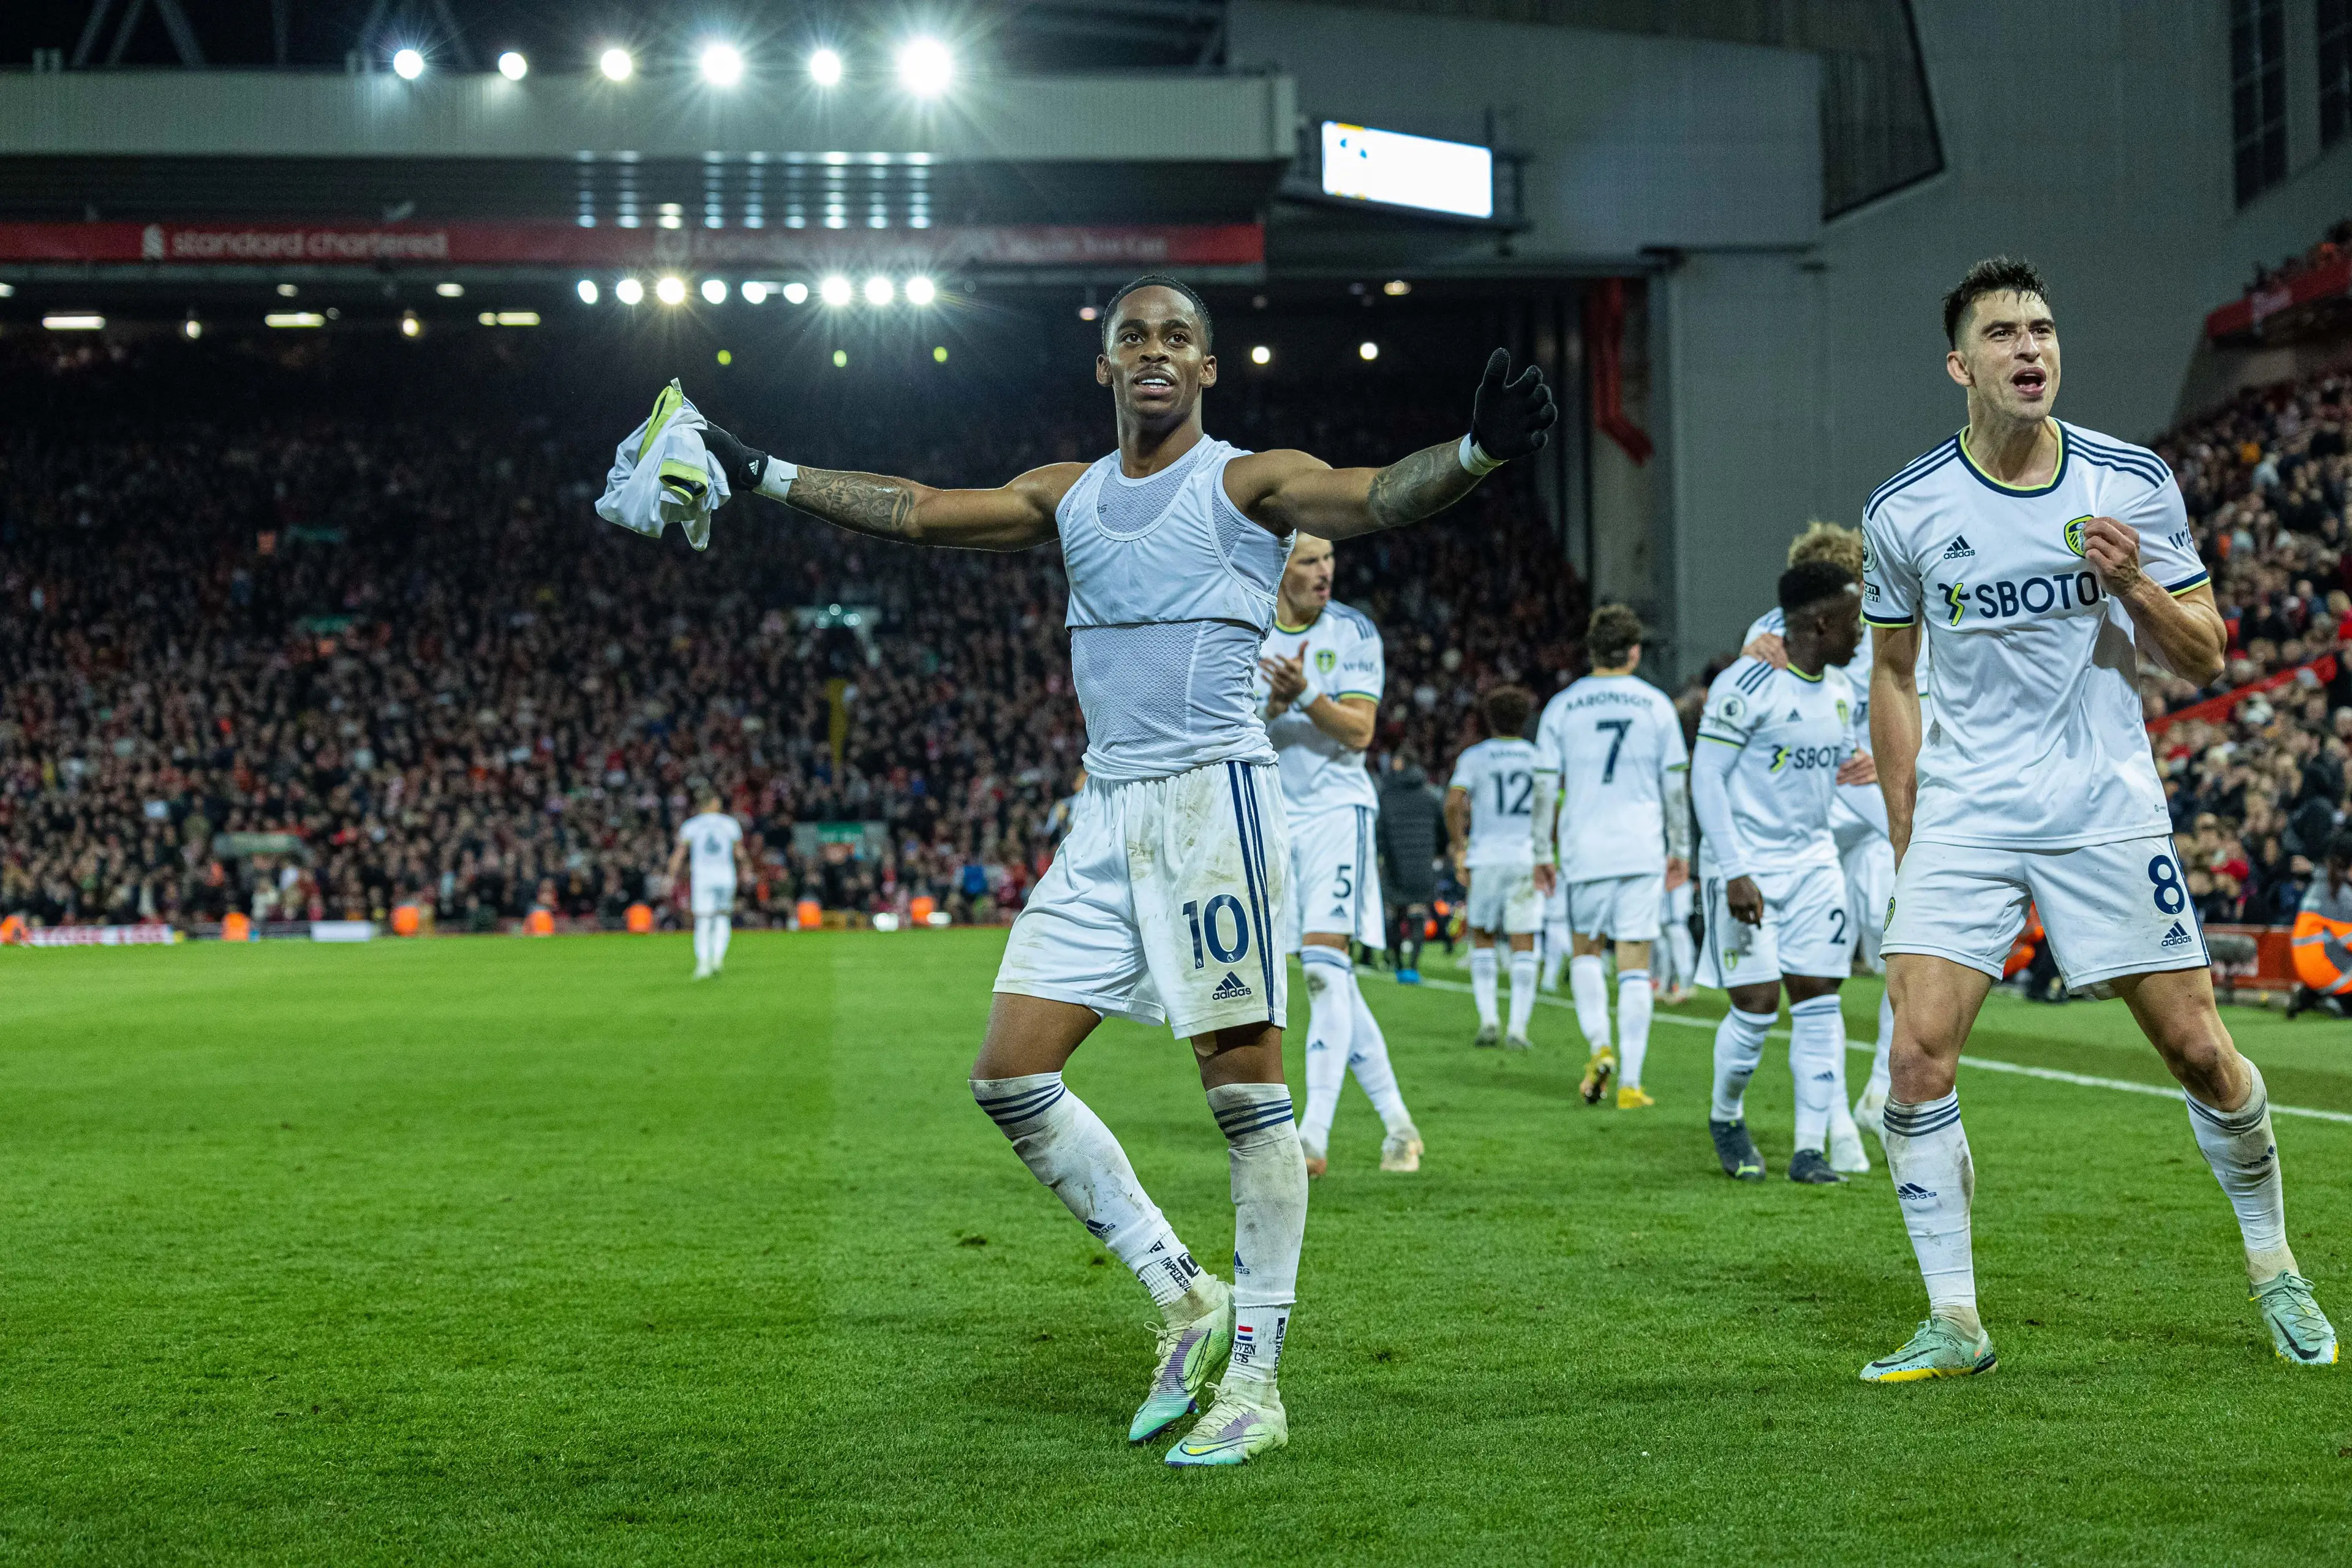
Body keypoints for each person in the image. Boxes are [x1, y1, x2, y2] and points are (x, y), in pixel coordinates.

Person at [669, 273, 1556, 1462]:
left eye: (1177, 337)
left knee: (1248, 1100)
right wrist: (758, 467)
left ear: (1206, 367)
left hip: (1217, 807)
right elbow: (921, 509)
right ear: (1105, 367)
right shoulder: (1068, 493)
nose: (1154, 350)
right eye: (1132, 335)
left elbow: (1375, 495)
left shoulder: (1247, 482)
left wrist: (1480, 450)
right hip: (1107, 816)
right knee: (1010, 1074)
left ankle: (1258, 1378)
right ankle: (1183, 1289)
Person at [1860, 255, 2334, 1380]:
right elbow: (1890, 671)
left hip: (2103, 804)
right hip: (1971, 814)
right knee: (1916, 1061)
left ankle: (2276, 1267)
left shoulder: (2129, 482)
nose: (2032, 349)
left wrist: (2135, 589)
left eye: (2044, 328)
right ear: (1959, 363)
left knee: (2203, 1055)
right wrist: (1904, 818)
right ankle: (1957, 1320)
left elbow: (2208, 651)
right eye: (2006, 334)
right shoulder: (1906, 509)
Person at [1692, 563, 1882, 1184]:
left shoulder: (1840, 692)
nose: (1861, 635)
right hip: (1745, 862)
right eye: (1853, 622)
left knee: (1820, 997)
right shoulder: (1746, 686)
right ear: (1821, 623)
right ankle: (1726, 1117)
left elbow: (1841, 773)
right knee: (1755, 1005)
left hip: (1813, 863)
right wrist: (1736, 871)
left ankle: (1809, 1148)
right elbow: (1706, 779)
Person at [1256, 534, 1424, 1177]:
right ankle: (1399, 1126)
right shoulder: (1246, 627)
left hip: (1336, 812)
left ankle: (1312, 1135)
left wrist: (1302, 695)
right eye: (1309, 561)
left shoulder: (1353, 631)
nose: (1325, 571)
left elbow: (1359, 728)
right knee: (1333, 980)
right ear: (1281, 569)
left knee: (1326, 968)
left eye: (1329, 559)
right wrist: (1268, 705)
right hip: (1273, 814)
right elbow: (1232, 726)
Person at [1738, 522, 1886, 1170]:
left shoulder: (1874, 621)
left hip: (1839, 812)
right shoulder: (1772, 635)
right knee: (1841, 979)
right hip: (1826, 820)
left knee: (1849, 970)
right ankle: (1848, 1118)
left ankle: (1868, 1101)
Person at [1531, 605, 1691, 1109]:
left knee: (1585, 952)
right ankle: (1631, 1085)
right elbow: (1675, 786)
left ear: (1592, 651)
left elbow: (1542, 787)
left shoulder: (1562, 706)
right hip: (1641, 848)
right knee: (1635, 965)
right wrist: (1680, 847)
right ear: (1635, 652)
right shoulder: (1656, 705)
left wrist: (1541, 849)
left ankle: (1600, 1046)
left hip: (1585, 848)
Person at [1446, 686, 1545, 1050]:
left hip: (1486, 856)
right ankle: (1518, 1029)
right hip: (1525, 855)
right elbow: (1552, 805)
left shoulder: (1476, 757)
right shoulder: (1538, 757)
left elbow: (1454, 802)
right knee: (1524, 942)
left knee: (1483, 937)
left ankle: (1489, 1021)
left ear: (1489, 719)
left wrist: (1460, 846)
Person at [1376, 748, 1443, 983]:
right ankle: (1413, 967)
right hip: (1422, 863)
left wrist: (1380, 855)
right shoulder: (1430, 794)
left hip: (1395, 863)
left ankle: (1397, 964)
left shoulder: (1387, 794)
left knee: (1394, 912)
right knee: (1417, 911)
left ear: (1400, 763)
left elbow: (1380, 830)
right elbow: (1441, 830)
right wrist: (1439, 853)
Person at [666, 791, 750, 979]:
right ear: (714, 803)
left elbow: (679, 854)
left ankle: (703, 965)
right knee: (722, 917)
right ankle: (717, 960)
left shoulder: (692, 825)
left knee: (704, 920)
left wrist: (671, 876)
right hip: (726, 877)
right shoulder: (729, 824)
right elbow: (740, 853)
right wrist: (747, 870)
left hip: (703, 878)